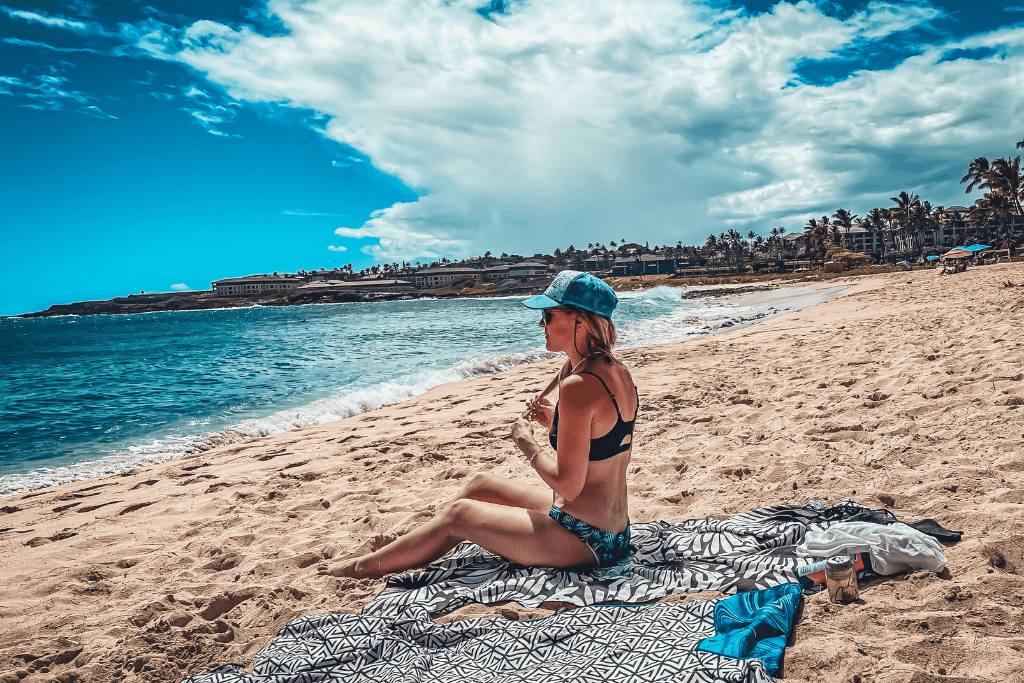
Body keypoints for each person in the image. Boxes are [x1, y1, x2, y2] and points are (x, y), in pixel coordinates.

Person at [318, 271, 637, 579]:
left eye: (549, 315)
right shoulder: (616, 371)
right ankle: (418, 542)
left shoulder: (578, 385)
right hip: (612, 530)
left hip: (586, 540)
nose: (541, 323)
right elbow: (603, 441)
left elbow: (568, 486)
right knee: (480, 485)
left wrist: (529, 446)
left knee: (461, 515)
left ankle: (364, 568)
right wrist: (557, 422)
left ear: (579, 320)